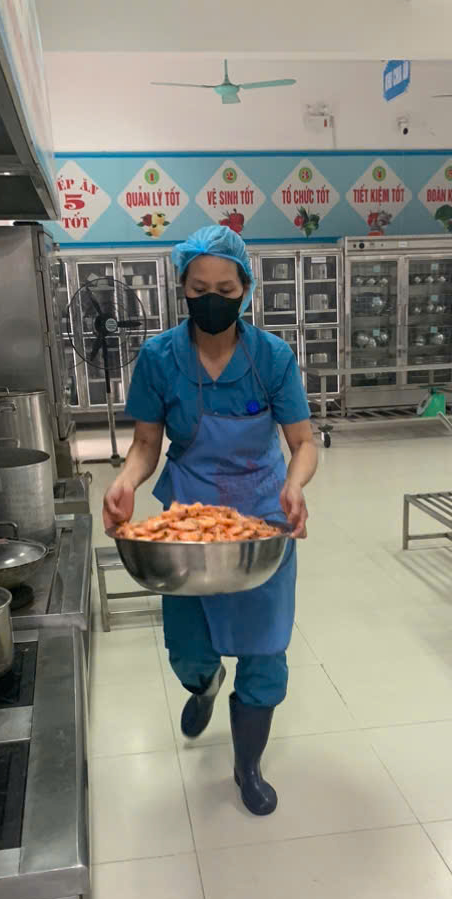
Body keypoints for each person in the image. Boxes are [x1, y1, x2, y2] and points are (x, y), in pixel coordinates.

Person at [103, 225, 318, 816]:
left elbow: (303, 441)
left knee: (264, 650)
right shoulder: (159, 358)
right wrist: (124, 482)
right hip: (188, 525)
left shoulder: (271, 358)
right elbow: (146, 443)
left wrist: (294, 485)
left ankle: (247, 766)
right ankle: (202, 685)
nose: (212, 299)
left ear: (246, 289)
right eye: (200, 289)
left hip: (261, 521)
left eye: (225, 289)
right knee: (189, 648)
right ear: (183, 288)